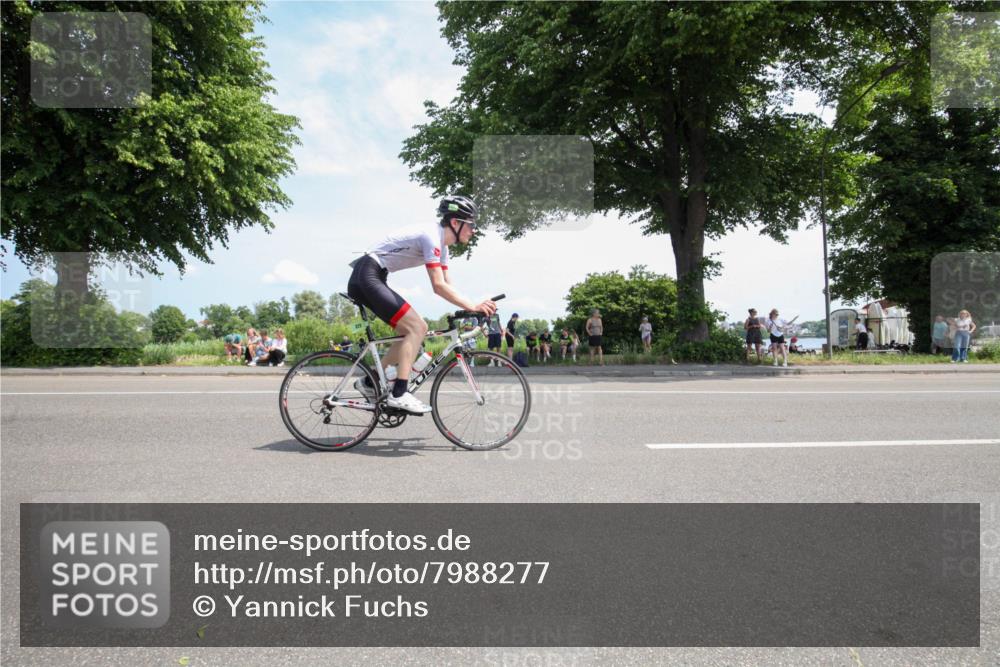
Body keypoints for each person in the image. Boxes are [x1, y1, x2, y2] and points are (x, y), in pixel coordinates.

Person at [346, 194, 495, 413]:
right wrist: (473, 306)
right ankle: (399, 393)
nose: (474, 231)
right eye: (471, 225)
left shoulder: (442, 247)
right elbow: (438, 286)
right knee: (418, 327)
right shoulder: (431, 237)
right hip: (368, 274)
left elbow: (447, 284)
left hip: (374, 276)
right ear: (455, 222)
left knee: (410, 332)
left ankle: (370, 381)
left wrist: (469, 307)